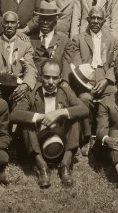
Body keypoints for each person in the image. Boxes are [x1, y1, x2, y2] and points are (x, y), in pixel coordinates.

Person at [12, 59, 87, 188]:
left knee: (75, 120)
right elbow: (14, 114)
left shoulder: (66, 92)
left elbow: (84, 109)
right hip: (38, 143)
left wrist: (59, 112)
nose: (51, 82)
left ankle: (65, 166)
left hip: (61, 140)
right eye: (47, 77)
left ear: (60, 78)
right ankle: (42, 167)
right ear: (41, 77)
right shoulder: (32, 94)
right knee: (27, 123)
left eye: (55, 78)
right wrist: (39, 117)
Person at [67, 6, 118, 155]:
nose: (95, 21)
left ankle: (107, 134)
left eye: (99, 18)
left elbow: (113, 65)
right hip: (85, 81)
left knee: (114, 95)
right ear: (88, 20)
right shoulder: (78, 39)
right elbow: (76, 65)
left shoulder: (111, 40)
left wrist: (107, 80)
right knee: (84, 100)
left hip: (104, 80)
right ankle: (88, 137)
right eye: (93, 18)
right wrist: (87, 85)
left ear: (104, 21)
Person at [0, 11, 37, 107]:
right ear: (2, 23)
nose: (9, 25)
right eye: (6, 22)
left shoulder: (25, 44)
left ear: (17, 24)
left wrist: (26, 85)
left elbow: (30, 68)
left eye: (13, 22)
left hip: (18, 86)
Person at [31, 1, 70, 74]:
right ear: (38, 20)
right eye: (42, 18)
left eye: (49, 19)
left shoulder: (64, 42)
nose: (45, 22)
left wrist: (65, 81)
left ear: (55, 21)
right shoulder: (30, 40)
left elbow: (66, 66)